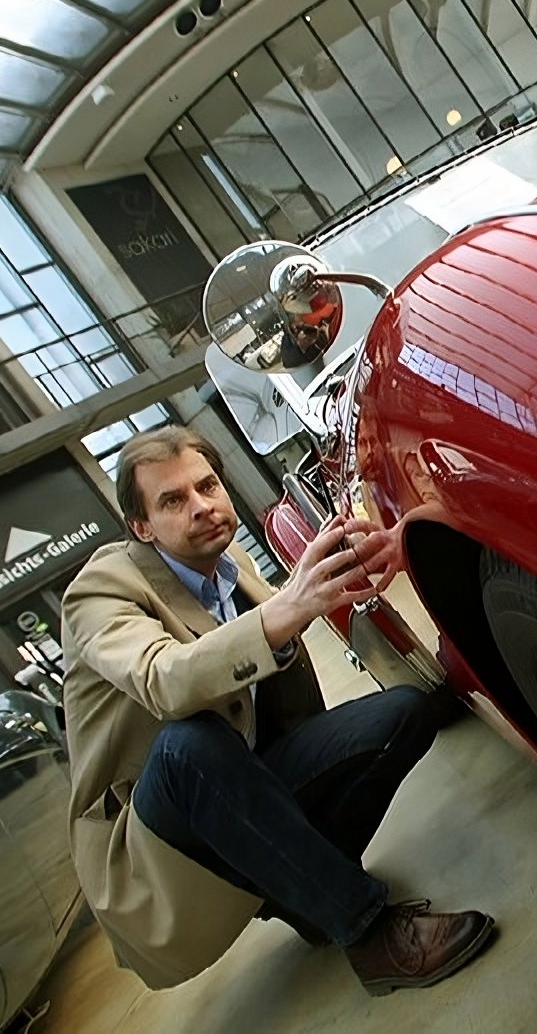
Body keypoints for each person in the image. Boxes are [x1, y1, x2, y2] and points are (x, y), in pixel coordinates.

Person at [59, 424, 495, 995]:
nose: (202, 506)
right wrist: (289, 607)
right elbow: (163, 681)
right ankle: (367, 932)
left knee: (404, 714)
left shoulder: (224, 559)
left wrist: (338, 575)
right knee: (187, 744)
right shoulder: (99, 590)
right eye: (173, 500)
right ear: (141, 528)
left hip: (248, 779)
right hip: (162, 838)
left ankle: (312, 901)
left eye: (208, 485)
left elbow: (271, 653)